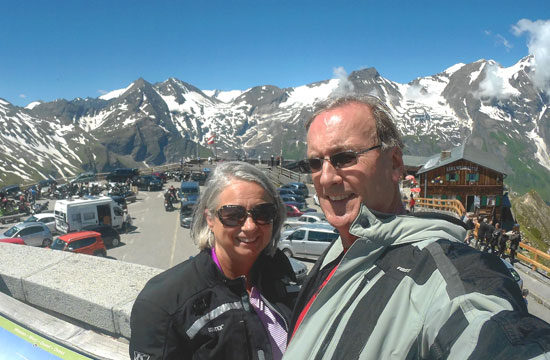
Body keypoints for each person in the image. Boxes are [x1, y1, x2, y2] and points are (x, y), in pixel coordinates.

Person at [285, 95, 550, 359]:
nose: (326, 178)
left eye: (344, 157)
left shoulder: (443, 271)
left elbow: (488, 329)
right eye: (315, 163)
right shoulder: (340, 248)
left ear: (395, 164)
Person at [130, 162, 298, 360]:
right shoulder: (162, 304)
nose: (251, 226)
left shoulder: (277, 266)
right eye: (233, 215)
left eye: (263, 213)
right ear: (209, 218)